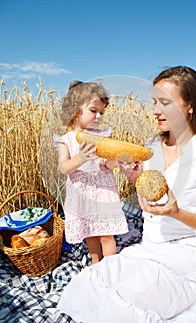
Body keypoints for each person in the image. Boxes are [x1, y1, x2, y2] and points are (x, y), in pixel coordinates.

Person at [56, 67, 196, 322]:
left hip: (185, 253)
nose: (155, 110)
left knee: (132, 305)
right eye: (154, 102)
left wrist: (176, 212)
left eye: (165, 103)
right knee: (88, 284)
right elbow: (147, 201)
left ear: (190, 106)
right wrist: (135, 177)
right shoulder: (150, 148)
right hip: (147, 249)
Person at [54, 80, 128, 265]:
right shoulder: (66, 139)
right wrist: (80, 158)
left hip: (103, 191)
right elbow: (63, 168)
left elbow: (107, 164)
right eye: (93, 111)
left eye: (101, 112)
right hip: (81, 193)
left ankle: (110, 265)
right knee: (90, 232)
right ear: (74, 111)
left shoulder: (103, 136)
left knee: (105, 233)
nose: (98, 116)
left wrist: (117, 161)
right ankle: (96, 261)